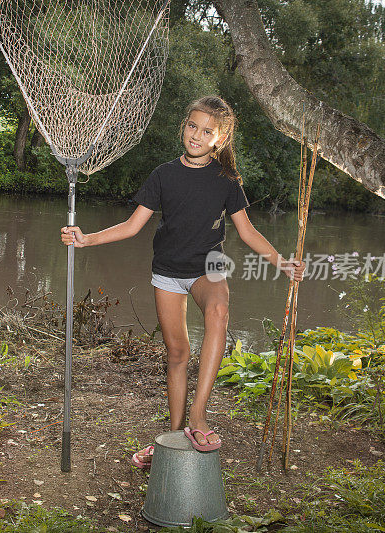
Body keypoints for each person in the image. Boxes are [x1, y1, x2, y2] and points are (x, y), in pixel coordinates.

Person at [60, 95, 306, 466]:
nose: (197, 134)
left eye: (207, 131)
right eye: (193, 125)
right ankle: (172, 438)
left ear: (219, 140)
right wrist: (86, 238)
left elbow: (248, 232)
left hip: (209, 267)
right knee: (177, 354)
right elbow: (132, 226)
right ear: (184, 127)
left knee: (219, 311)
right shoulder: (163, 175)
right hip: (168, 271)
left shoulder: (227, 181)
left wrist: (283, 262)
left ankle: (198, 415)